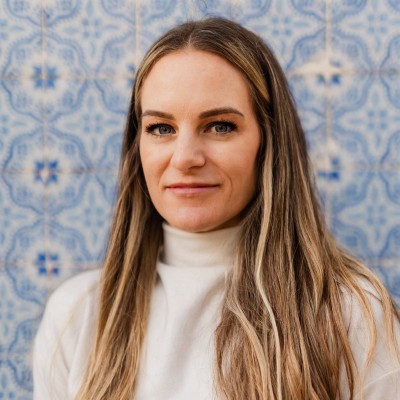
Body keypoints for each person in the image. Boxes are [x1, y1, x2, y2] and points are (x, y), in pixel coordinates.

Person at [33, 17, 400, 400]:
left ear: (269, 142)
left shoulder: (350, 314)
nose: (185, 158)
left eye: (220, 126)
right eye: (161, 128)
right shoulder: (76, 315)